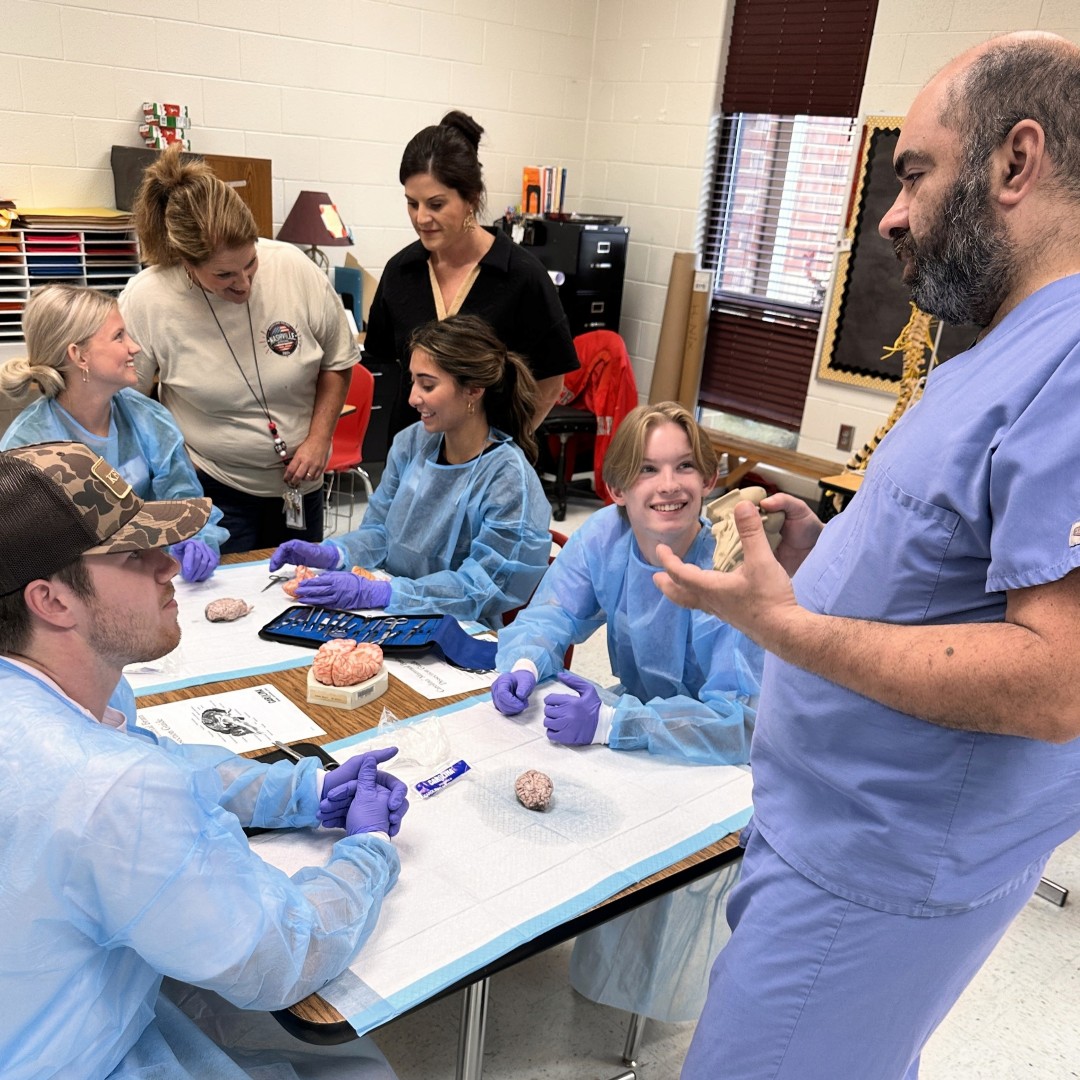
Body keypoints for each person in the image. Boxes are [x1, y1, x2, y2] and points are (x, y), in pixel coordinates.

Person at [652, 32, 1080, 1080]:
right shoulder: (1008, 344)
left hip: (884, 860)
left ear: (1016, 162)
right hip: (830, 828)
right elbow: (960, 560)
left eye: (915, 174)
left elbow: (1059, 679)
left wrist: (785, 626)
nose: (890, 215)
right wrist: (831, 551)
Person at [0, 439, 410, 1079]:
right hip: (66, 1059)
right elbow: (279, 955)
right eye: (134, 555)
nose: (168, 565)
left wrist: (301, 790)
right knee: (360, 1071)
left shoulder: (49, 695)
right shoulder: (111, 788)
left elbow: (158, 759)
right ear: (51, 600)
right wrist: (368, 852)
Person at [490, 402, 763, 1022]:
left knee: (663, 905)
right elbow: (553, 612)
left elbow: (743, 722)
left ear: (709, 479)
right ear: (616, 488)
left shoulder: (730, 568)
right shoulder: (605, 538)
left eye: (685, 467)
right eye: (647, 469)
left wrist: (617, 724)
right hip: (644, 728)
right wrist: (525, 663)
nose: (668, 486)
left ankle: (640, 1016)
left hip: (719, 758)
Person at [120, 143, 358, 552]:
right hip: (212, 486)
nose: (244, 284)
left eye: (250, 264)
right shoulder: (149, 298)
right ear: (186, 263)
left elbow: (338, 361)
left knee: (298, 583)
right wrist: (171, 475)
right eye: (224, 275)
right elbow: (128, 401)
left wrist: (319, 438)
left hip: (300, 484)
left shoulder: (293, 267)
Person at [269, 314, 551, 630]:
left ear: (473, 390)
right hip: (388, 610)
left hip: (459, 627)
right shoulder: (413, 443)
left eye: (427, 385)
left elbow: (483, 587)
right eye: (413, 381)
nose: (413, 398)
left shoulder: (507, 478)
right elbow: (381, 531)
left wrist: (387, 593)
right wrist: (334, 554)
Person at [363, 110, 578, 443]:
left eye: (436, 204)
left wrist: (499, 450)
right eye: (412, 203)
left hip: (487, 462)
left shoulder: (522, 277)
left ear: (471, 199)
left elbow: (550, 384)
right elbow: (384, 361)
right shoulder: (400, 272)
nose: (421, 218)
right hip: (412, 457)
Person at [0, 283, 228, 582]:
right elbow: (24, 552)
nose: (135, 347)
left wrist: (195, 538)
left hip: (151, 575)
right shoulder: (25, 448)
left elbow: (183, 500)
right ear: (79, 356)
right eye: (119, 336)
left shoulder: (147, 417)